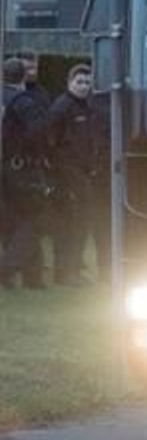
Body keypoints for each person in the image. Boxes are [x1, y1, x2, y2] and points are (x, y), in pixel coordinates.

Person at [49, 65, 108, 286]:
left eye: (87, 82)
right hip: (68, 174)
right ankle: (65, 273)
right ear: (69, 83)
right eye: (79, 82)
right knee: (71, 224)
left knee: (80, 223)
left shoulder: (87, 107)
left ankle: (72, 270)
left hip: (83, 173)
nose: (84, 86)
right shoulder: (62, 108)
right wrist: (60, 172)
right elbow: (50, 142)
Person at [1, 57, 55, 289]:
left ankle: (31, 277)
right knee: (37, 218)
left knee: (12, 220)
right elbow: (38, 130)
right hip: (21, 167)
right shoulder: (23, 101)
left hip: (5, 166)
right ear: (24, 76)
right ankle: (7, 268)